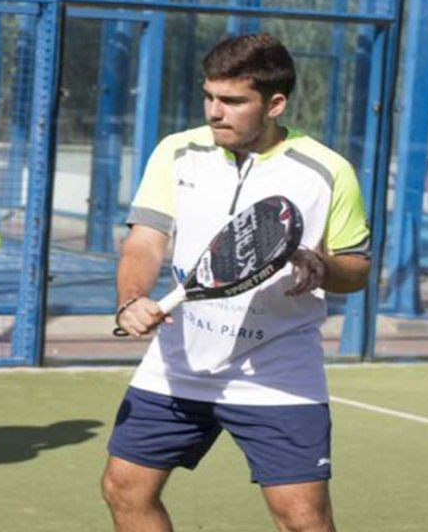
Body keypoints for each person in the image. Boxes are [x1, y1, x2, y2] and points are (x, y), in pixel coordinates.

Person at [101, 33, 371, 532]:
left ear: (275, 103)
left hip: (276, 369)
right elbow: (144, 242)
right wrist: (131, 299)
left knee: (302, 519)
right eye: (209, 96)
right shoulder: (176, 152)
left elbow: (356, 267)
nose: (214, 111)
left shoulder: (328, 171)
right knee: (124, 488)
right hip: (177, 360)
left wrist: (323, 267)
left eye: (232, 101)